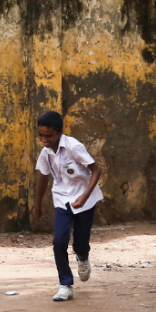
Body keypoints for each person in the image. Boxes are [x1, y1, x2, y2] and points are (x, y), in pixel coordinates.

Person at [33, 111, 103, 302]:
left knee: (80, 243)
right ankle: (65, 284)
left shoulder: (74, 147)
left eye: (49, 135)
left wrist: (84, 196)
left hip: (84, 199)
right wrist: (37, 205)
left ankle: (83, 257)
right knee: (59, 240)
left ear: (59, 133)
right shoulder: (45, 153)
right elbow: (43, 178)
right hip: (62, 199)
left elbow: (96, 169)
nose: (44, 140)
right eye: (41, 135)